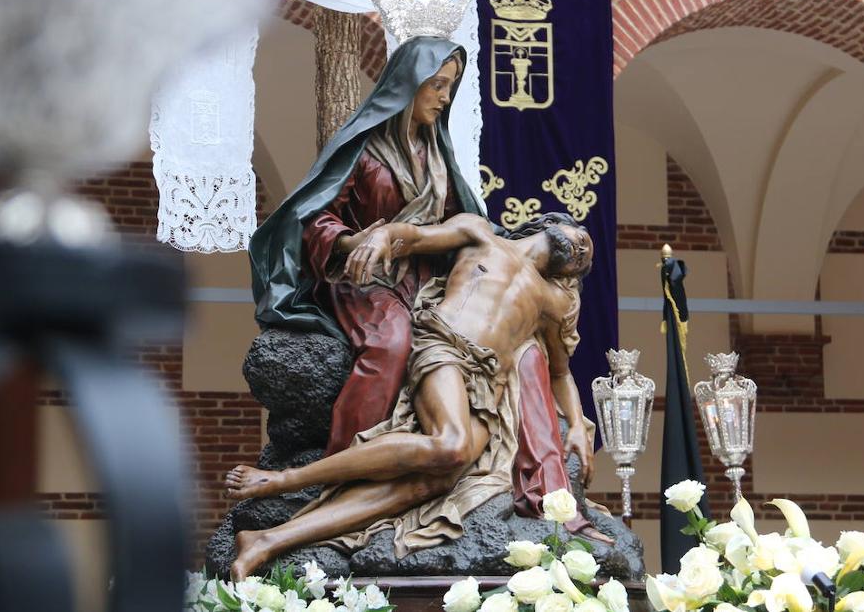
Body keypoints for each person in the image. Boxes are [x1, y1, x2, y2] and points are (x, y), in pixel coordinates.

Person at [247, 37, 591, 532]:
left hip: (423, 281)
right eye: (438, 85)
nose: (444, 97)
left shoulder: (437, 156)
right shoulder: (365, 149)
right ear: (408, 85)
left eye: (450, 87)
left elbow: (453, 227)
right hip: (364, 279)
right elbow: (316, 219)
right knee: (391, 343)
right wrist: (352, 241)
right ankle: (344, 468)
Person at [228, 213, 598, 578]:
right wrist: (383, 236)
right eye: (581, 238)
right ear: (551, 223)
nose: (582, 249)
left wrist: (578, 427)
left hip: (489, 385)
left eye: (585, 259)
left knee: (437, 481)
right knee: (451, 445)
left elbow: (560, 372)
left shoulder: (555, 301)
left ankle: (268, 540)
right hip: (446, 348)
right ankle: (284, 480)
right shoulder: (481, 234)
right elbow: (416, 237)